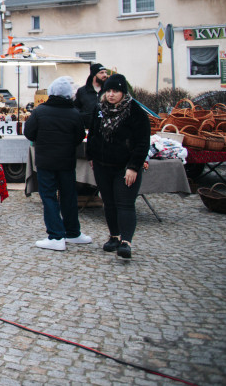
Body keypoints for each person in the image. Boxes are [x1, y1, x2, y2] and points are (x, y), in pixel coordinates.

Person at [85, 73, 150, 260]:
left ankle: (126, 242)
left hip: (125, 166)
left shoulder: (135, 112)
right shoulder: (99, 109)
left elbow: (142, 142)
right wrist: (92, 156)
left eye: (116, 91)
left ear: (123, 92)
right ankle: (114, 236)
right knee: (109, 203)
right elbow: (93, 134)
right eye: (108, 91)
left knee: (125, 203)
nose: (111, 95)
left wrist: (134, 166)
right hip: (102, 164)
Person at [23, 76, 89, 251]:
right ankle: (73, 232)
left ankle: (56, 235)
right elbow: (80, 136)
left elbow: (29, 132)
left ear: (51, 93)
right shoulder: (74, 113)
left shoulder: (39, 111)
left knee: (49, 196)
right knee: (69, 196)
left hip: (46, 161)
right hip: (66, 161)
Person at [74, 63, 108, 128]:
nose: (105, 75)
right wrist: (84, 116)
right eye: (101, 73)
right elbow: (75, 107)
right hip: (87, 128)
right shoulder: (82, 91)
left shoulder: (108, 91)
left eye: (105, 72)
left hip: (105, 128)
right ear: (94, 75)